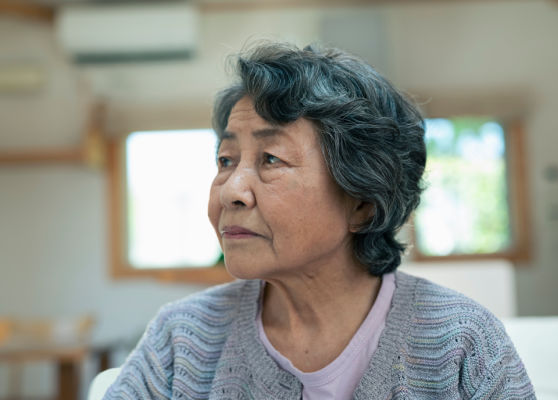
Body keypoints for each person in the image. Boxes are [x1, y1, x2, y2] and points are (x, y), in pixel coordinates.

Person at [104, 42, 535, 399]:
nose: (231, 190)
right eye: (225, 160)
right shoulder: (182, 339)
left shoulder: (462, 343)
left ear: (362, 202)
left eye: (271, 159)